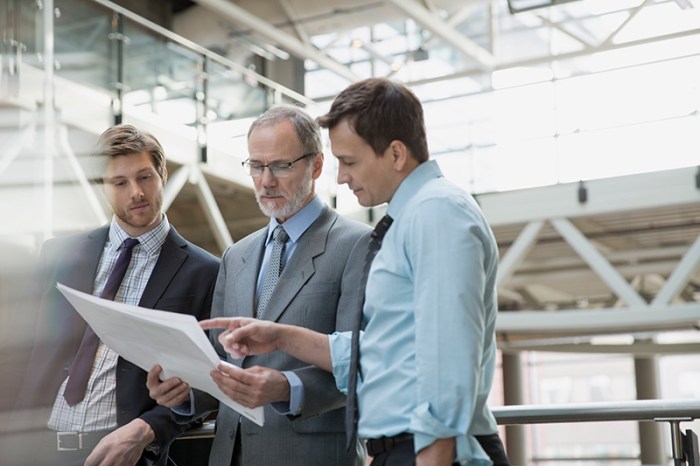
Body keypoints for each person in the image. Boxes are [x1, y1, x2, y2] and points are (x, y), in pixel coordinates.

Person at [201, 78, 511, 466]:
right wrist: (280, 337)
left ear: (396, 154)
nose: (342, 176)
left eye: (349, 161)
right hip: (405, 448)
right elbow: (382, 353)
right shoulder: (413, 217)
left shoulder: (436, 213)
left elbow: (447, 359)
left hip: (430, 450)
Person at [147, 104, 369, 466]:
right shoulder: (237, 255)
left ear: (315, 165)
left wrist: (289, 388)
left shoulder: (357, 245)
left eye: (281, 166)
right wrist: (185, 391)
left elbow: (364, 363)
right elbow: (219, 363)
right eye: (256, 165)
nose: (266, 181)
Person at [12, 124, 220, 466]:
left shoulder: (205, 272)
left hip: (123, 454)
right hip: (35, 450)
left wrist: (148, 428)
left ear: (163, 174)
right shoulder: (59, 255)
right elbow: (20, 352)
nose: (136, 192)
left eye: (145, 177)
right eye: (119, 183)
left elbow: (212, 380)